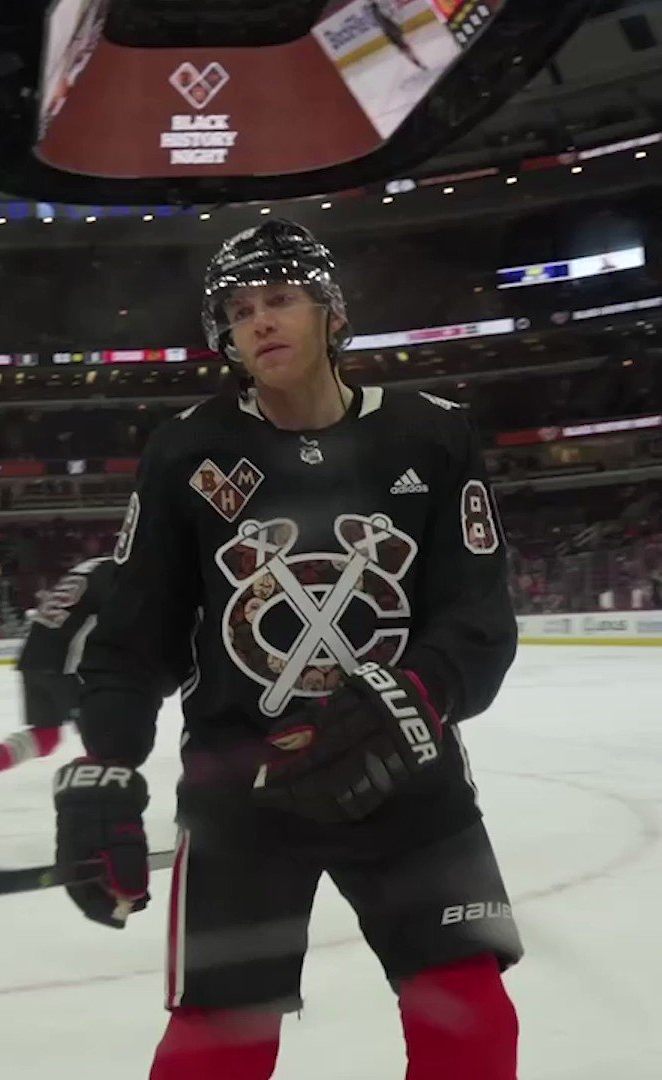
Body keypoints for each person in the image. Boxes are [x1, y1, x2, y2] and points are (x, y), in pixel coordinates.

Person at [53, 220, 523, 1079]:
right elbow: (132, 640)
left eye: (279, 300)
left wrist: (415, 693)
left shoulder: (433, 435)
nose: (259, 321)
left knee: (473, 1024)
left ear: (330, 313)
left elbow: (481, 622)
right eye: (239, 310)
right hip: (246, 795)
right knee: (218, 1047)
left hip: (407, 778)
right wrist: (109, 764)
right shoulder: (188, 453)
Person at [0, 556, 114, 805]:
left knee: (46, 735)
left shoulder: (92, 565)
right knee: (105, 744)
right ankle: (102, 810)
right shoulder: (124, 572)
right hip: (66, 662)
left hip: (35, 653)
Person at [368, 0, 428, 70]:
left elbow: (388, 16)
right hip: (391, 29)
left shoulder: (377, 9)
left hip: (391, 28)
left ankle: (416, 61)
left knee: (403, 46)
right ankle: (416, 61)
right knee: (403, 46)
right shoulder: (376, 10)